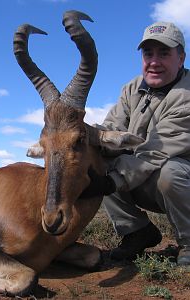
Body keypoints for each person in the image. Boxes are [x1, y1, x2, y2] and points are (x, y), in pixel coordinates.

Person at [89, 21, 190, 266]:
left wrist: (111, 182)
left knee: (170, 172)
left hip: (177, 180)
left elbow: (156, 150)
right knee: (100, 161)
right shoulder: (132, 88)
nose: (154, 61)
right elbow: (111, 130)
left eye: (164, 53)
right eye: (148, 53)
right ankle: (137, 232)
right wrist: (85, 137)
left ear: (181, 58)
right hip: (146, 176)